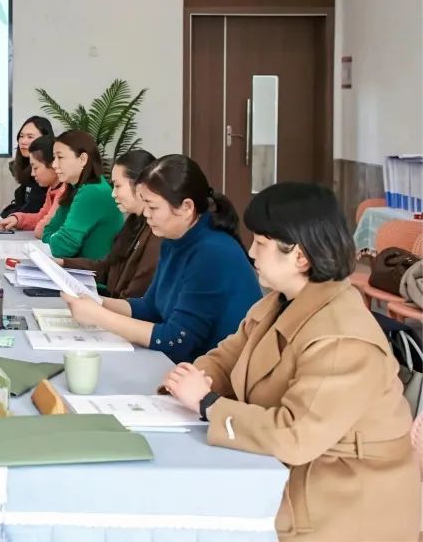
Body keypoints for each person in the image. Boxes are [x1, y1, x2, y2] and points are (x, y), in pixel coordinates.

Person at [163, 182, 420, 540]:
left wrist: (207, 404)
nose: (251, 253)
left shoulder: (342, 338)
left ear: (300, 256)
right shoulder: (279, 301)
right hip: (289, 473)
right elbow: (227, 356)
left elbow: (296, 435)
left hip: (343, 501)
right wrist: (187, 381)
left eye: (262, 244)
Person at [64, 154, 261, 364]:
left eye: (153, 207)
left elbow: (175, 341)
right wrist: (96, 302)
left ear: (186, 208)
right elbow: (150, 307)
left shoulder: (212, 252)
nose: (146, 214)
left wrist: (99, 316)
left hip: (214, 377)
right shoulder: (174, 239)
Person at [62, 149, 161, 298]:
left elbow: (135, 296)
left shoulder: (157, 232)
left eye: (118, 186)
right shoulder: (134, 221)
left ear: (141, 186)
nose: (113, 193)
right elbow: (106, 268)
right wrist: (62, 263)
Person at [41, 130, 124, 259]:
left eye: (60, 157)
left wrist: (56, 239)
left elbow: (62, 248)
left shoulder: (93, 191)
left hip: (94, 276)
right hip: (77, 270)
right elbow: (47, 231)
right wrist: (56, 238)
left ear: (83, 159)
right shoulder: (74, 188)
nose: (54, 164)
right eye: (54, 157)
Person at [0, 135, 64, 238]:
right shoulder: (52, 189)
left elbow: (43, 229)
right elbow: (41, 217)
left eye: (35, 168)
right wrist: (17, 219)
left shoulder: (64, 190)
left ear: (52, 165)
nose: (32, 173)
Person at [0, 115, 54, 219]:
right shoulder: (23, 167)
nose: (23, 141)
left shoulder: (46, 174)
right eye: (21, 136)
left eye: (30, 137)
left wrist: (11, 212)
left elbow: (30, 210)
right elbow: (20, 207)